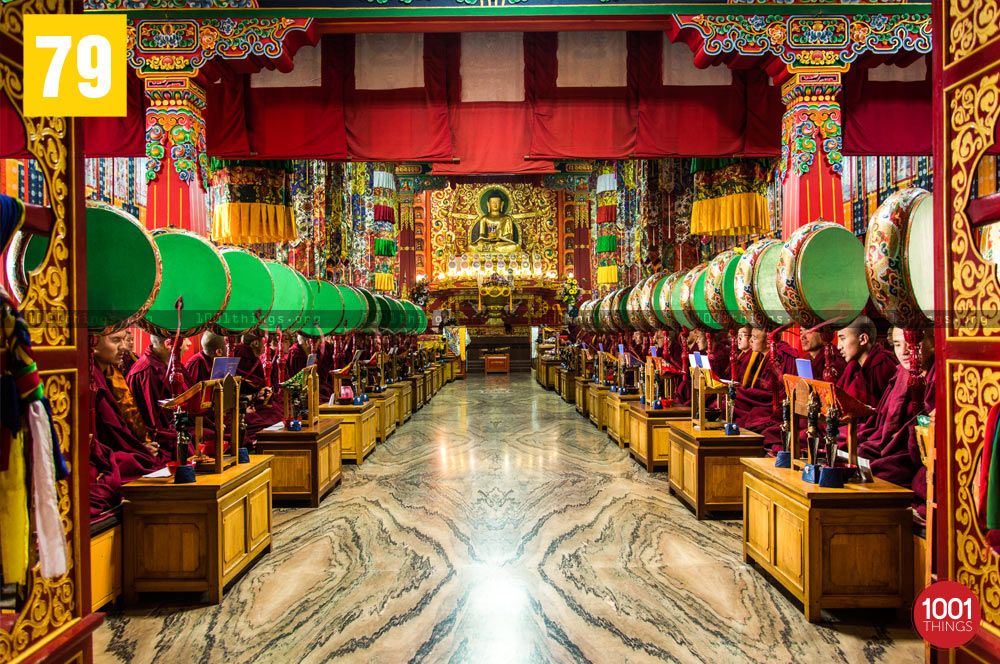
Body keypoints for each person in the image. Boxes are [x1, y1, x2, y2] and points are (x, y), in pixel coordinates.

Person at [856, 327, 935, 519]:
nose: (905, 352)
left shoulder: (941, 376)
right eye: (898, 345)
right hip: (890, 448)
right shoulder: (901, 375)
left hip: (916, 455)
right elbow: (879, 424)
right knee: (858, 454)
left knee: (880, 474)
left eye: (913, 344)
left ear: (933, 342)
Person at [89, 331, 167, 519]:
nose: (124, 347)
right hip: (101, 458)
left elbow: (122, 427)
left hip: (118, 450)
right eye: (116, 340)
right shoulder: (87, 378)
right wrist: (137, 448)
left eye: (124, 339)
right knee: (140, 463)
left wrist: (139, 445)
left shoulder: (110, 372)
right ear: (92, 342)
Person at [732, 327, 799, 453]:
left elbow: (780, 390)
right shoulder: (762, 356)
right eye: (750, 336)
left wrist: (744, 392)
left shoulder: (783, 356)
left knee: (741, 405)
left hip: (775, 404)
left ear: (768, 342)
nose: (751, 341)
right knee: (732, 399)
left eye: (754, 337)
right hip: (764, 399)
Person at [125, 333, 191, 449]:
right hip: (162, 436)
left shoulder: (174, 365)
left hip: (182, 424)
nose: (189, 343)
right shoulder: (147, 372)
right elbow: (155, 424)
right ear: (168, 344)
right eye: (185, 339)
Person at [836, 315, 898, 409]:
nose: (838, 346)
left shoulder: (883, 365)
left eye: (843, 338)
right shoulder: (853, 366)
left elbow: (887, 410)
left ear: (863, 339)